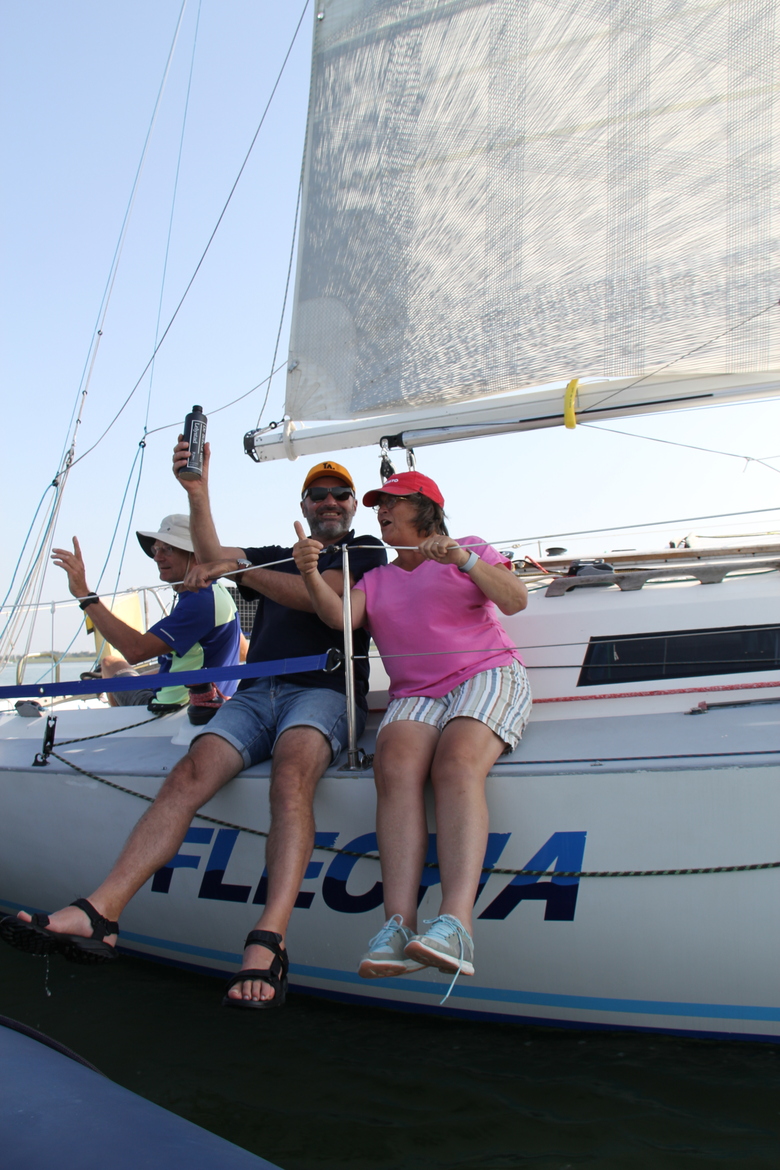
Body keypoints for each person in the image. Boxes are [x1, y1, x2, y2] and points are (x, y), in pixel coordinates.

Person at [1, 447, 385, 1013]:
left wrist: (238, 570)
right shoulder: (277, 555)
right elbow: (212, 555)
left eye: (339, 494)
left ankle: (269, 939)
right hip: (254, 693)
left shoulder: (365, 550)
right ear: (303, 504)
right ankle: (102, 912)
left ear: (353, 505)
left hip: (323, 692)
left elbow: (316, 599)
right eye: (317, 495)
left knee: (291, 776)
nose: (329, 502)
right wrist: (197, 492)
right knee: (188, 775)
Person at [293, 470, 531, 998]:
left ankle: (456, 925)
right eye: (378, 504)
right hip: (417, 692)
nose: (380, 511)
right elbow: (339, 619)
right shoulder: (376, 579)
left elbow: (515, 600)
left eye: (392, 502)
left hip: (485, 673)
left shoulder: (470, 547)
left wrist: (462, 560)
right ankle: (397, 927)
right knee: (394, 767)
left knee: (455, 764)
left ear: (425, 508)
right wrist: (310, 572)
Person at [51, 515, 242, 722]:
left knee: (110, 663)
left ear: (196, 556)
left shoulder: (199, 602)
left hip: (171, 712)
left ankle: (125, 729)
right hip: (207, 705)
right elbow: (241, 649)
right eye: (156, 549)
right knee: (127, 673)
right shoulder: (218, 594)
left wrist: (84, 595)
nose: (157, 557)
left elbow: (135, 651)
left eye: (168, 549)